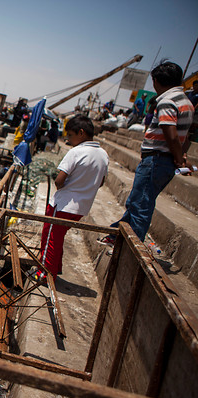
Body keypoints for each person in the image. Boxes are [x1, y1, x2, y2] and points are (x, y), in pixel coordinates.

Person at [99, 61, 195, 246]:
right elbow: (184, 137)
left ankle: (130, 247)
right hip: (164, 161)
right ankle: (116, 235)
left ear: (156, 81)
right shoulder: (186, 102)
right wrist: (181, 157)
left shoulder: (167, 101)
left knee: (140, 204)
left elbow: (171, 134)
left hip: (157, 160)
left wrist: (178, 158)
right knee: (138, 201)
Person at [35, 115, 108, 282]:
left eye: (70, 135)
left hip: (63, 205)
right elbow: (101, 182)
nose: (68, 139)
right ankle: (55, 268)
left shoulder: (76, 152)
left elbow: (59, 181)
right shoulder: (103, 155)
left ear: (81, 133)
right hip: (81, 208)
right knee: (58, 238)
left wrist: (67, 185)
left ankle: (45, 274)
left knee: (50, 239)